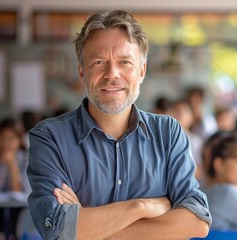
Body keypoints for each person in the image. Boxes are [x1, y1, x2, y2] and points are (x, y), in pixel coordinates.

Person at [27, 10, 211, 240]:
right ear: (82, 72)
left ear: (142, 71)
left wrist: (94, 227)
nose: (111, 74)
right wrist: (140, 208)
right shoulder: (49, 137)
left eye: (125, 62)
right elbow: (58, 230)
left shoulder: (169, 133)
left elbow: (196, 222)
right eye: (98, 62)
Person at [167, 99, 204, 181]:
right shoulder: (164, 138)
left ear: (192, 117)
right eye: (175, 111)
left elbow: (199, 171)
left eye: (182, 112)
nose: (178, 115)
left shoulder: (196, 141)